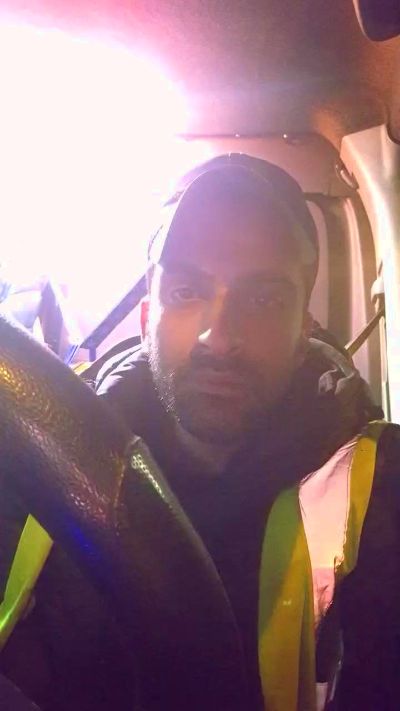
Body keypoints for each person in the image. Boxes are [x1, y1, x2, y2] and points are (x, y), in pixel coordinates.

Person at [0, 153, 399, 710]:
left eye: (263, 299)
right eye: (187, 292)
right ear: (147, 317)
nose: (220, 335)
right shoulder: (36, 448)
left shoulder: (380, 490)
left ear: (303, 331)